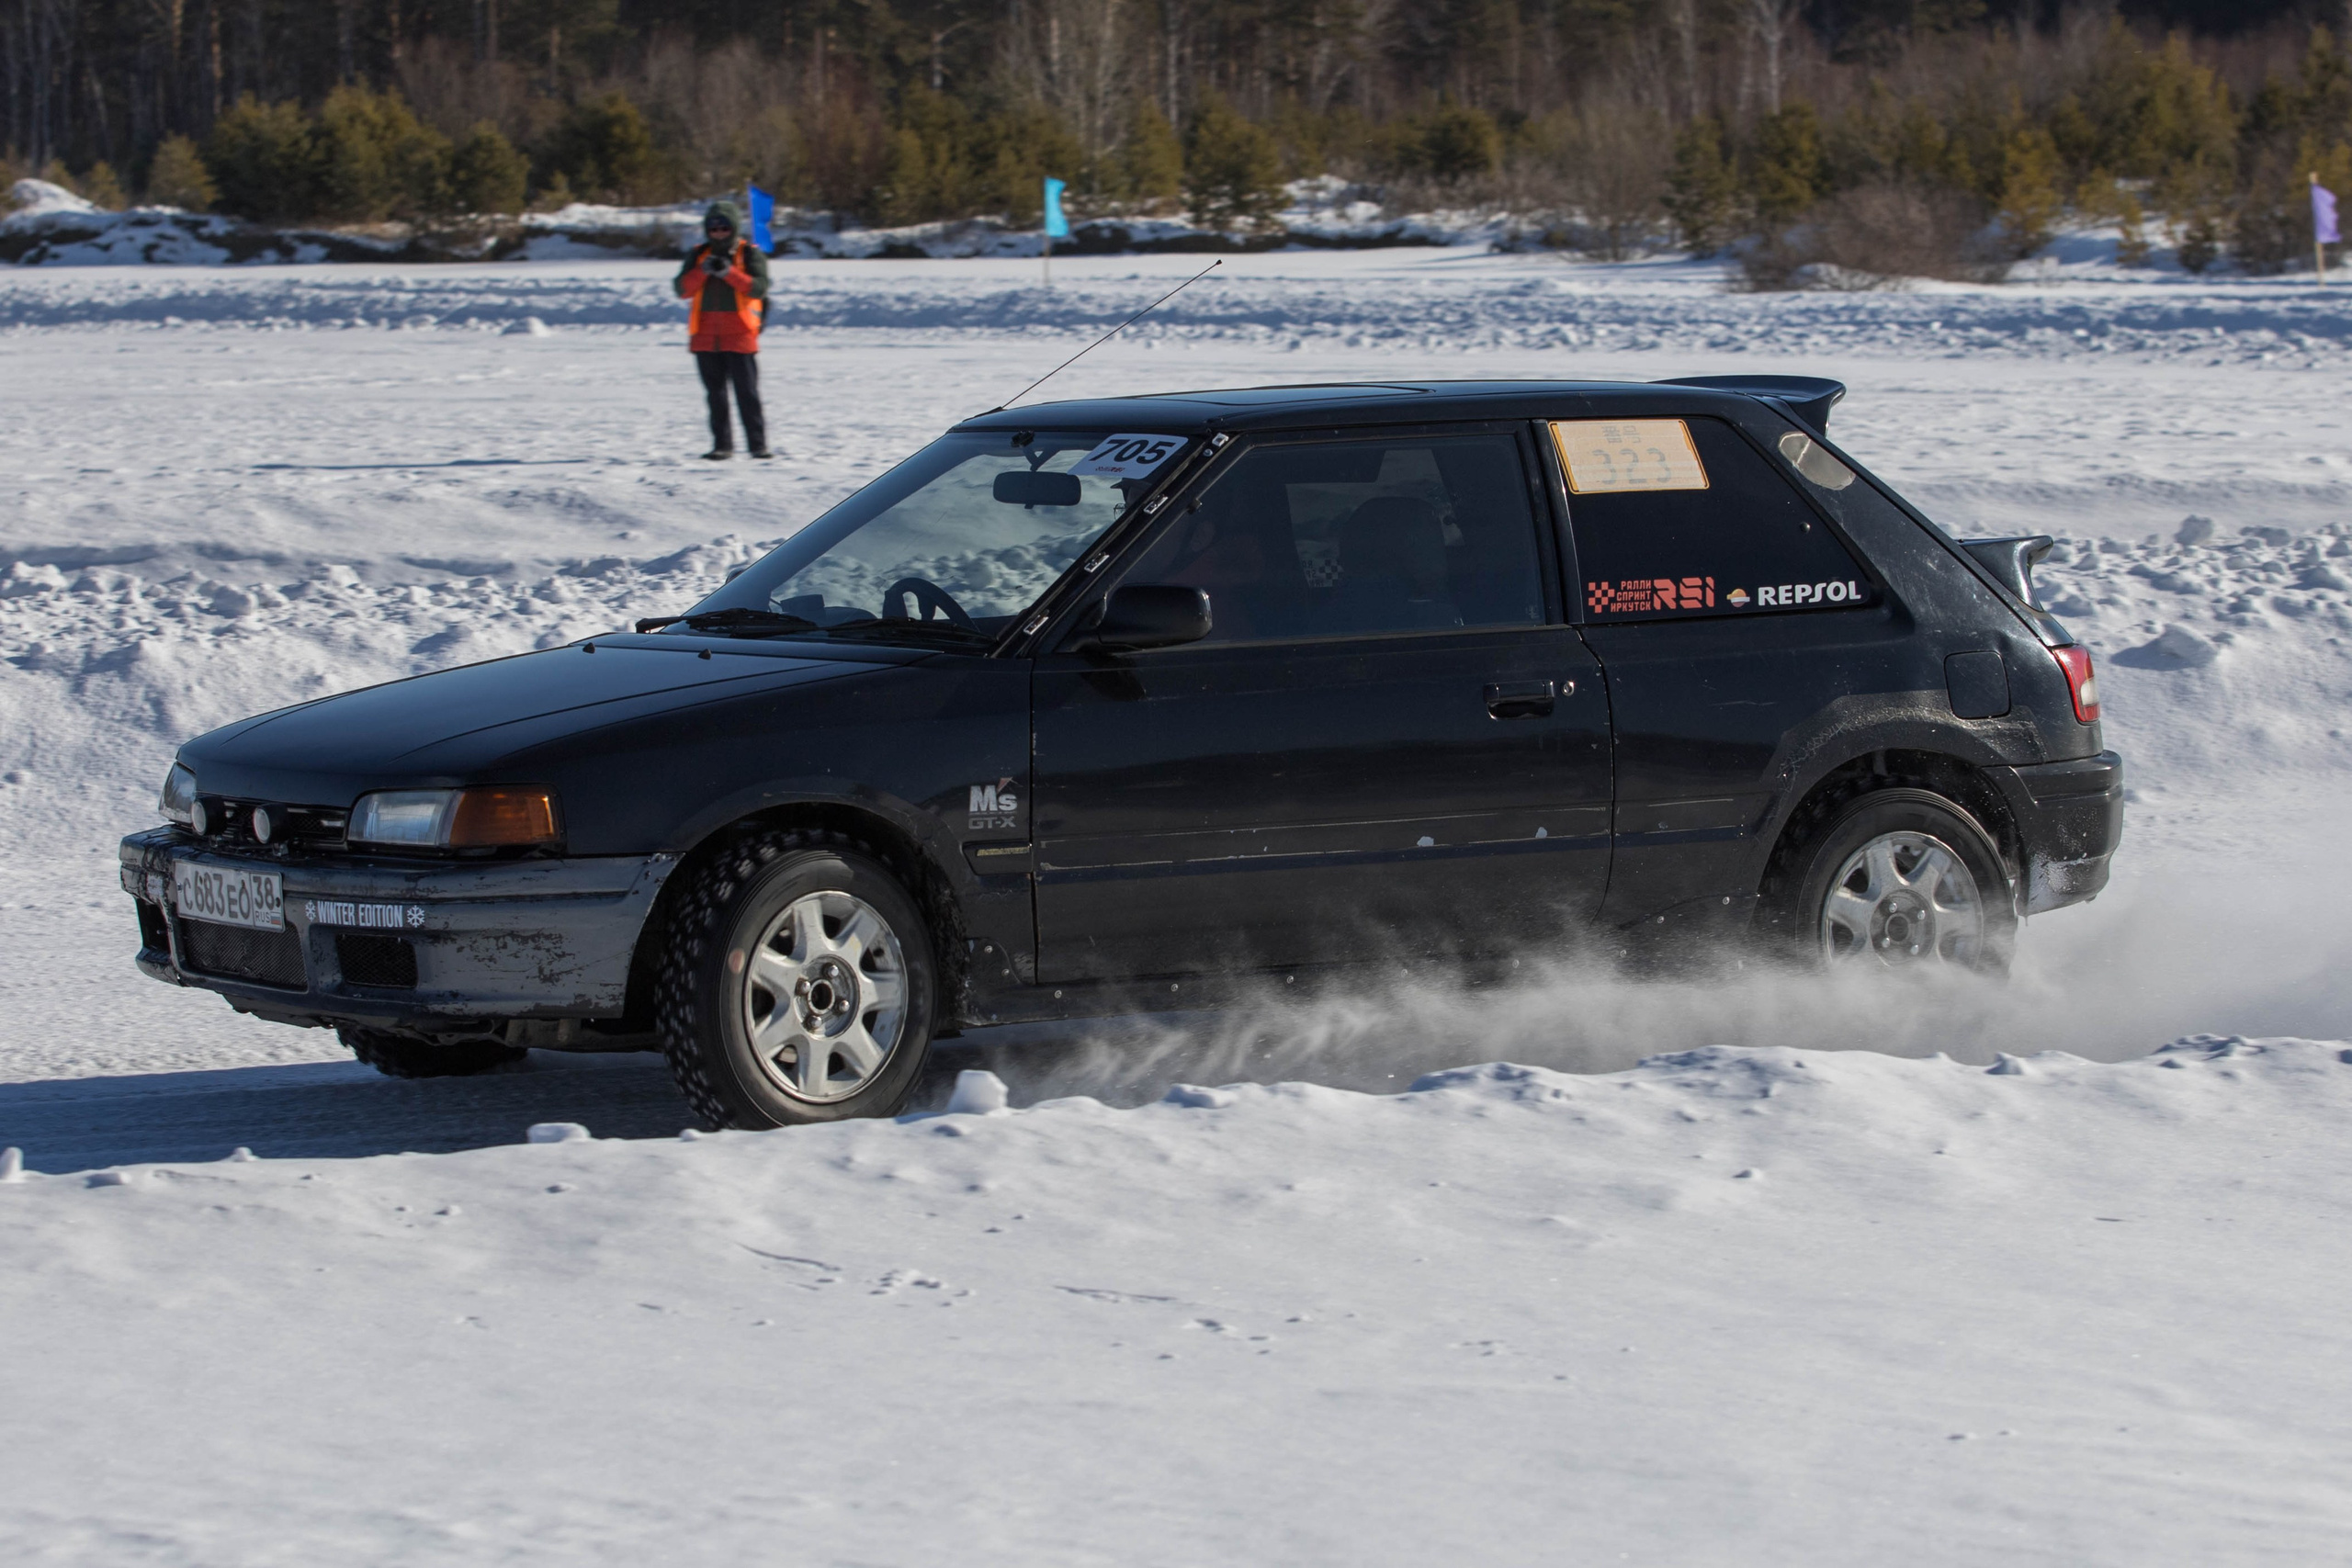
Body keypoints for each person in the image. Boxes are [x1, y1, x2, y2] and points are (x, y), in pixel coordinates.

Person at [674, 201, 773, 460]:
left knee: (747, 394)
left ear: (734, 228)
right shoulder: (698, 255)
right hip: (705, 338)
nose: (718, 233)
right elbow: (682, 289)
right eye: (714, 228)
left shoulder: (749, 254)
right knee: (716, 396)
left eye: (724, 228)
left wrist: (729, 273)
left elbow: (759, 288)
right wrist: (702, 271)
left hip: (740, 336)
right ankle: (722, 446)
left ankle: (758, 445)